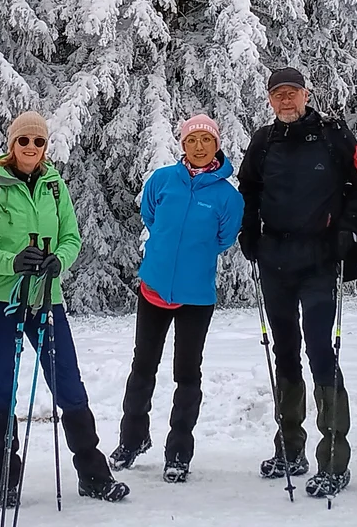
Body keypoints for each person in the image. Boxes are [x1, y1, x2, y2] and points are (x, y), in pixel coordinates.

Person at [0, 111, 129, 506]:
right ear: (12, 144)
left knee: (68, 383)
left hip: (45, 298)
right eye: (24, 141)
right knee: (3, 387)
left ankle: (92, 472)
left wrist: (59, 260)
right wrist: (11, 261)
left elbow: (71, 237)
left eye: (38, 142)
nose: (31, 148)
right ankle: (4, 473)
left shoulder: (56, 187)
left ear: (45, 147)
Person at [238, 66, 357, 500]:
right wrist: (248, 228)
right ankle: (290, 448)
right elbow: (249, 189)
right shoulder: (263, 140)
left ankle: (333, 458)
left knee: (319, 350)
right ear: (271, 100)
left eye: (293, 93)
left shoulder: (332, 135)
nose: (286, 100)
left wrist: (347, 230)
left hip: (318, 259)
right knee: (285, 351)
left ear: (307, 95)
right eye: (279, 94)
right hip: (274, 259)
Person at [109, 114, 243, 484]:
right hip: (152, 288)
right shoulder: (162, 180)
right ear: (182, 144)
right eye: (192, 140)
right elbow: (151, 218)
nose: (199, 146)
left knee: (187, 373)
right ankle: (132, 441)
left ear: (216, 145)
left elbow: (224, 239)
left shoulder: (227, 196)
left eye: (206, 140)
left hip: (196, 296)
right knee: (142, 368)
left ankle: (179, 451)